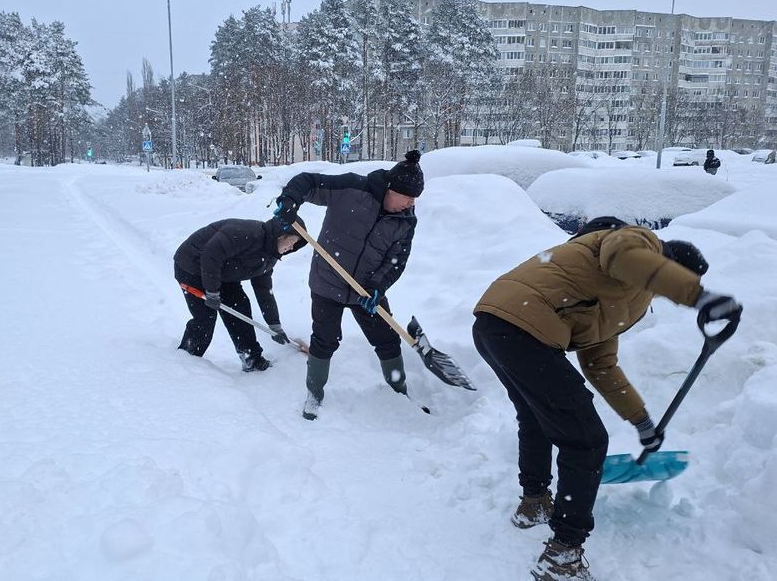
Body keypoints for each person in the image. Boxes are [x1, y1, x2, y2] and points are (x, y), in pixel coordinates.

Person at [472, 217, 742, 581]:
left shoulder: (619, 294)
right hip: (520, 325)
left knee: (536, 417)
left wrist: (642, 422)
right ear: (665, 265)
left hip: (497, 324)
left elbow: (600, 365)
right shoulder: (634, 241)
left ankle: (534, 503)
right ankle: (562, 557)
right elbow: (625, 258)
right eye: (667, 281)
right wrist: (699, 296)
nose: (664, 291)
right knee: (586, 441)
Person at [272, 150, 424, 420]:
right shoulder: (353, 188)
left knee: (387, 340)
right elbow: (308, 181)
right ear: (391, 189)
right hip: (327, 283)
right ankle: (314, 395)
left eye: (415, 199)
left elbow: (396, 261)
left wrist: (377, 287)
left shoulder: (406, 221)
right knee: (325, 340)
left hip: (365, 291)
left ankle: (399, 392)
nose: (411, 204)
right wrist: (289, 201)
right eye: (408, 197)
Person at [174, 216, 307, 371]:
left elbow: (264, 291)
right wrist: (212, 292)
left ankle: (252, 359)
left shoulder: (270, 257)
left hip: (222, 273)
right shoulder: (247, 233)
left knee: (240, 308)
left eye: (295, 245)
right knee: (205, 317)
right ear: (280, 235)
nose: (291, 247)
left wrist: (274, 325)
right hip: (192, 267)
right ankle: (188, 357)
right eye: (291, 242)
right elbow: (211, 254)